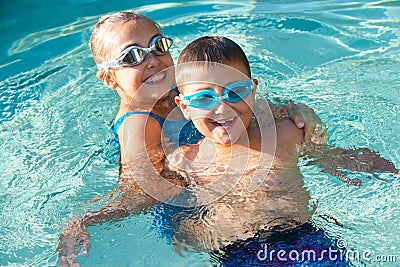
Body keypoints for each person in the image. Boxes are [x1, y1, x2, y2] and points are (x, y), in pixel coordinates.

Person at [165, 35, 400, 264]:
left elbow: (329, 157)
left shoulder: (283, 134)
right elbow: (180, 212)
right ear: (184, 107)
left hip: (304, 242)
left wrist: (379, 167)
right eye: (204, 99)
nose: (222, 108)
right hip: (236, 253)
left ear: (253, 91)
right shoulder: (185, 160)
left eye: (235, 92)